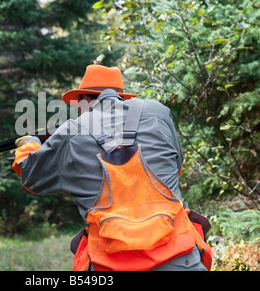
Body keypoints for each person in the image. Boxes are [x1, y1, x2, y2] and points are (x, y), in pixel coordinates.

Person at [12, 64, 212, 271]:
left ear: (85, 99)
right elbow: (176, 166)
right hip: (181, 259)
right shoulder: (159, 113)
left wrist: (31, 144)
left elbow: (31, 177)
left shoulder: (72, 131)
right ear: (122, 97)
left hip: (109, 265)